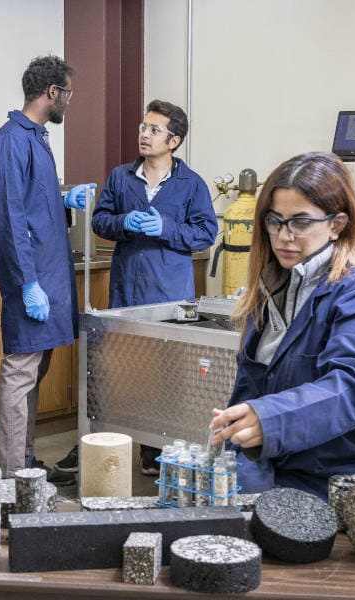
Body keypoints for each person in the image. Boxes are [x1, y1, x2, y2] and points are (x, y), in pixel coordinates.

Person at [208, 151, 355, 500]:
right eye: (274, 220)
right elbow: (251, 393)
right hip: (284, 474)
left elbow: (352, 386)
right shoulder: (273, 289)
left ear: (336, 224)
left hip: (351, 483)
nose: (284, 236)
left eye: (300, 222)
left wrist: (270, 420)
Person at [54, 100, 217, 476]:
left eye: (154, 129)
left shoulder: (191, 184)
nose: (144, 134)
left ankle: (155, 452)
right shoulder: (120, 177)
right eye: (143, 127)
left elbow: (206, 232)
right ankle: (94, 446)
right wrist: (126, 221)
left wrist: (167, 230)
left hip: (170, 295)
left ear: (174, 140)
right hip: (126, 291)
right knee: (113, 374)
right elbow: (101, 222)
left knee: (166, 375)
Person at [0, 55, 95, 484]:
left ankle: (25, 462)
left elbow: (32, 204)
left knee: (34, 373)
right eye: (68, 93)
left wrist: (61, 200)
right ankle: (13, 476)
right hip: (32, 278)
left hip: (51, 276)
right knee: (20, 372)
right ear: (53, 93)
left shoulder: (37, 138)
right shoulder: (12, 140)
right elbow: (10, 216)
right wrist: (27, 283)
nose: (69, 101)